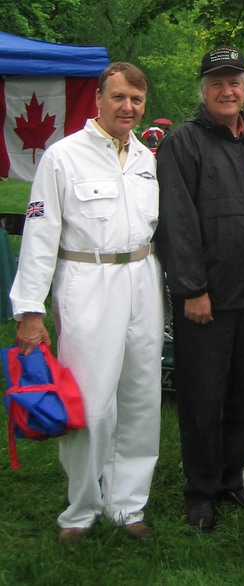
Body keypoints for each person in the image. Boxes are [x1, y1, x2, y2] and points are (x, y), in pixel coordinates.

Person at [10, 62, 163, 543]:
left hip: (143, 277)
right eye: (118, 97)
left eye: (136, 100)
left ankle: (127, 505)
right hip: (87, 280)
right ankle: (81, 508)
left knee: (141, 398)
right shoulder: (63, 157)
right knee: (91, 404)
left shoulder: (144, 157)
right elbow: (39, 236)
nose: (128, 107)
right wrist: (30, 311)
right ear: (98, 98)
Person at [155, 47, 244, 532]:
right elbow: (177, 222)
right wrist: (191, 289)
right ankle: (201, 490)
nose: (228, 91)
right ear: (203, 91)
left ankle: (233, 479)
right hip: (206, 297)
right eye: (217, 83)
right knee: (203, 398)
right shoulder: (182, 143)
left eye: (235, 82)